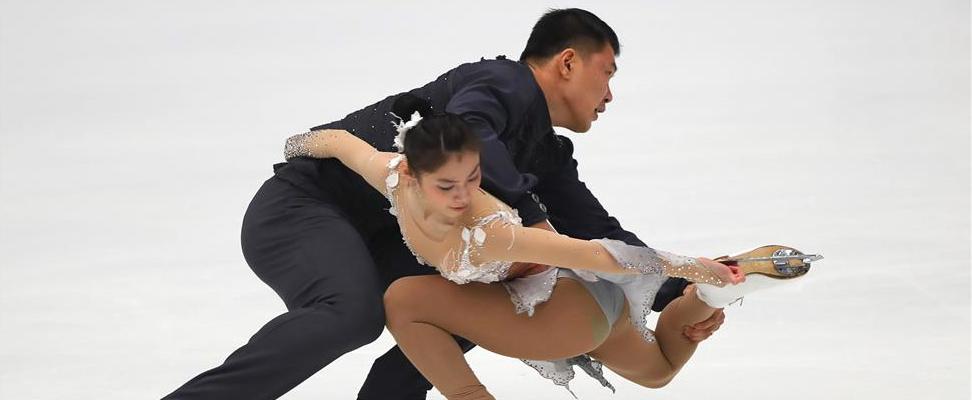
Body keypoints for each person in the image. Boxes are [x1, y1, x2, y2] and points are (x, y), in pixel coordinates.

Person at [162, 9, 721, 400]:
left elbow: (599, 231)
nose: (610, 95)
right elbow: (472, 127)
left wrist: (686, 291)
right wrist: (530, 218)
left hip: (388, 234)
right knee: (351, 314)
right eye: (608, 73)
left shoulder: (546, 155)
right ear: (569, 62)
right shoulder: (502, 82)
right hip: (306, 208)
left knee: (472, 303)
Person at [284, 102, 814, 399]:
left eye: (473, 179)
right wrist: (290, 153)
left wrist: (691, 263)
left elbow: (601, 256)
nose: (464, 196)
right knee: (660, 370)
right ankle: (712, 297)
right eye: (448, 186)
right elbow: (337, 142)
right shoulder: (389, 175)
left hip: (562, 310)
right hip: (580, 307)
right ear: (410, 174)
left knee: (403, 298)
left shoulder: (489, 229)